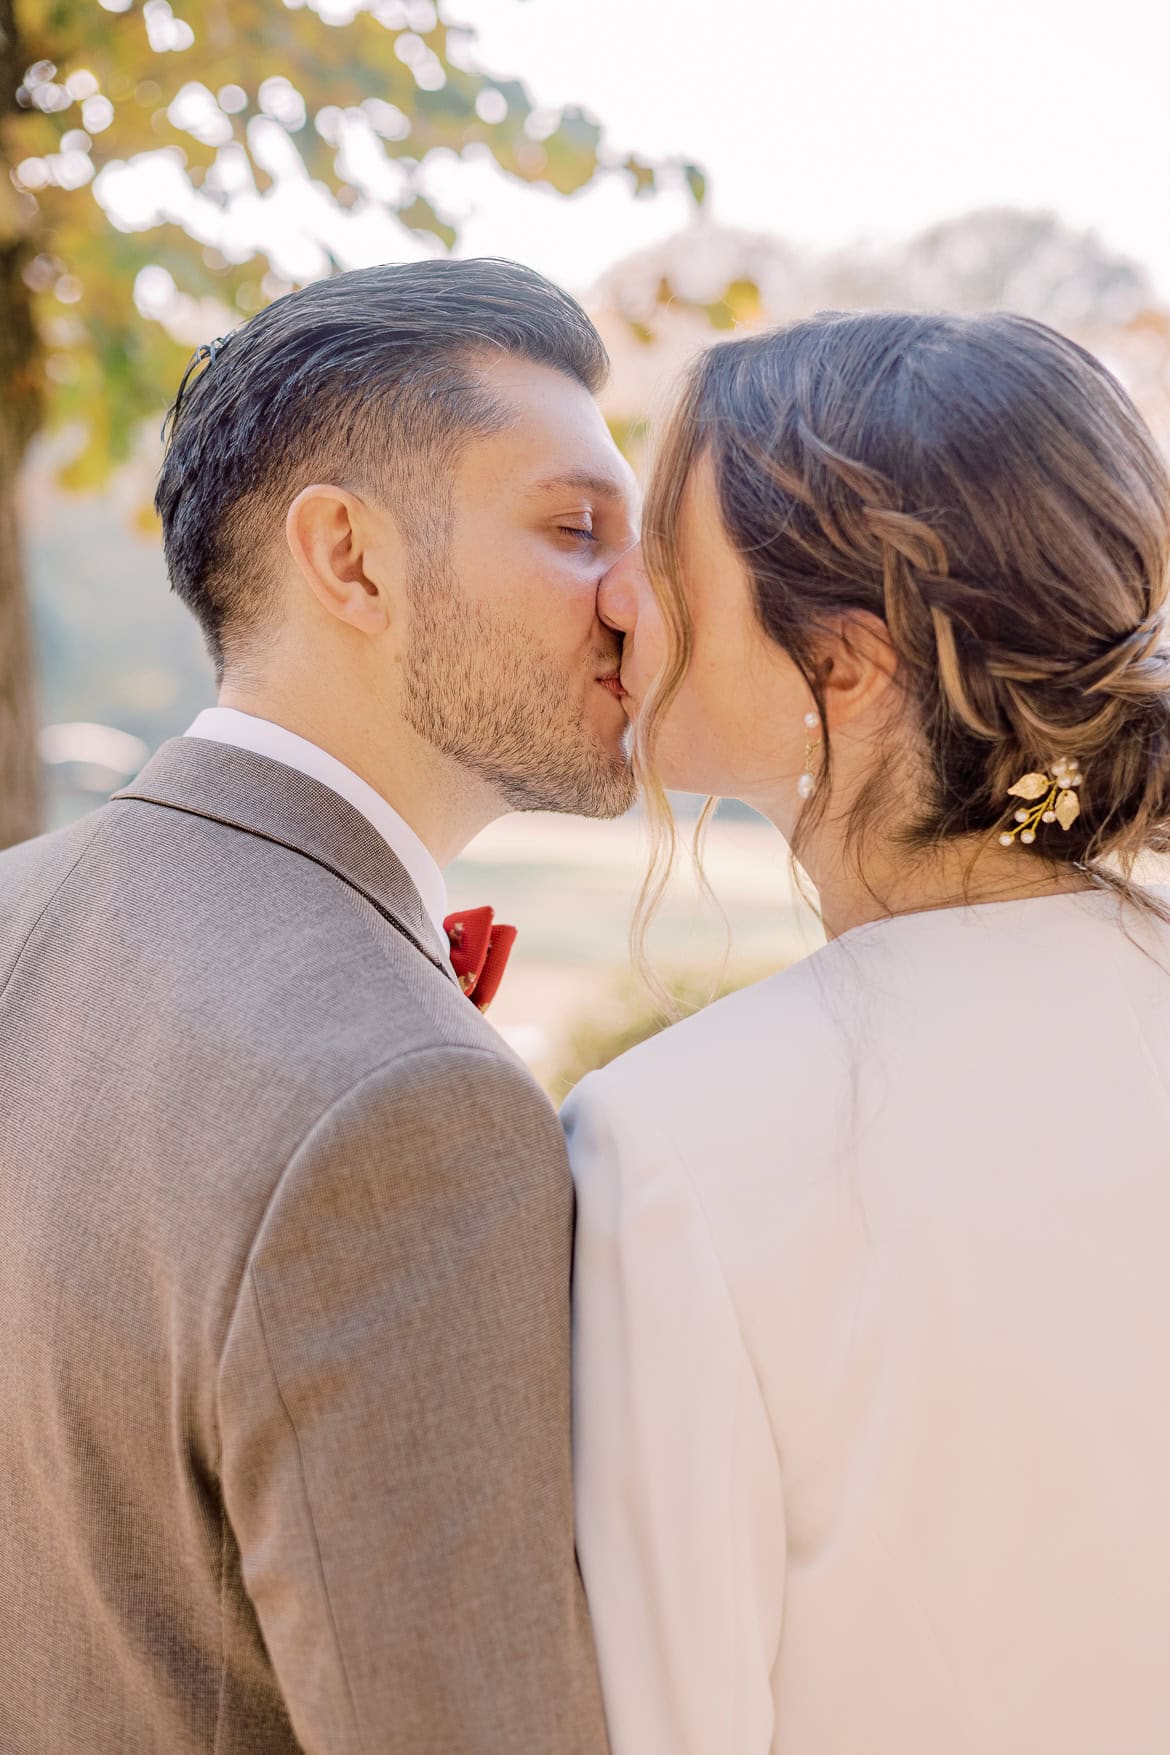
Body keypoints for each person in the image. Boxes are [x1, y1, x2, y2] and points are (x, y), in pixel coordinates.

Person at [0, 257, 637, 1754]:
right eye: (572, 531)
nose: (636, 599)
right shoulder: (402, 1102)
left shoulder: (13, 904)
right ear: (347, 559)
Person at [566, 310, 1170, 1754]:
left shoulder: (669, 1152)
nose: (618, 605)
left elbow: (666, 1721)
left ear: (844, 665)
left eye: (662, 553)